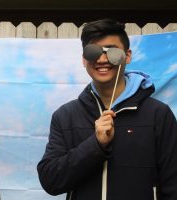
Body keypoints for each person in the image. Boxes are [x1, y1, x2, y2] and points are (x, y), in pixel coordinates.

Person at [37, 18, 177, 200]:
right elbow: (51, 180)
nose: (102, 59)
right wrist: (95, 145)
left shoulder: (158, 115)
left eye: (112, 51)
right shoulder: (65, 116)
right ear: (83, 59)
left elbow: (173, 185)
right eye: (93, 51)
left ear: (127, 56)